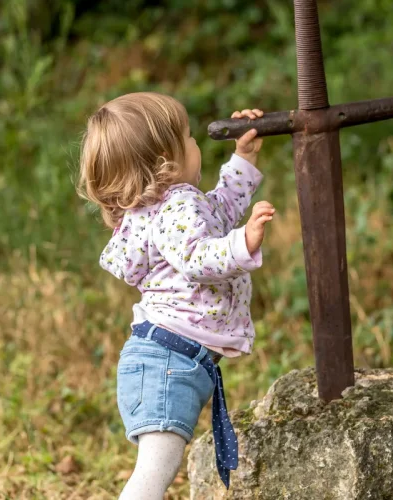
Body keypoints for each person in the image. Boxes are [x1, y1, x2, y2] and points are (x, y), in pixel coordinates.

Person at [77, 92, 273, 499]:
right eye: (188, 137)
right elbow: (199, 257)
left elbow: (218, 210)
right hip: (168, 364)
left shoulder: (162, 210)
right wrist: (244, 242)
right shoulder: (176, 208)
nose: (196, 143)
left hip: (161, 360)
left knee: (155, 469)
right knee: (153, 474)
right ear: (166, 159)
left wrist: (244, 158)